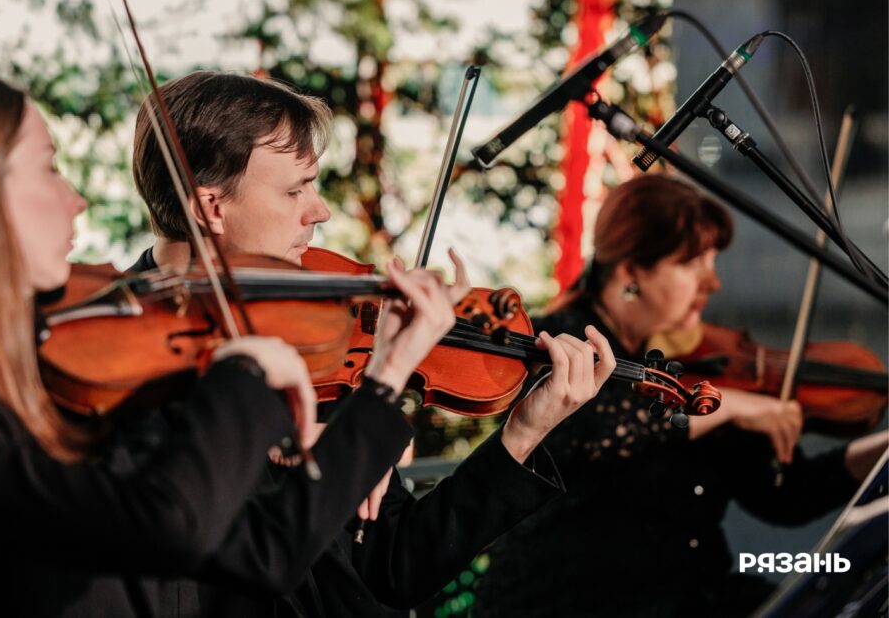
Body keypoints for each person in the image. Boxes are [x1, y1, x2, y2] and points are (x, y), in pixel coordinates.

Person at [0, 74, 461, 616]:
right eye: (47, 168)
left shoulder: (38, 379)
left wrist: (385, 378)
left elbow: (267, 554)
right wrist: (245, 376)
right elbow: (165, 522)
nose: (77, 200)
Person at [125, 69, 619, 616]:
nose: (320, 210)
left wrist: (523, 434)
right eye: (295, 190)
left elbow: (391, 569)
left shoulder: (323, 340)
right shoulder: (115, 367)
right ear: (210, 207)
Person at [472, 173, 888, 617]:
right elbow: (599, 429)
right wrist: (736, 404)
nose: (713, 283)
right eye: (693, 265)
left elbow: (786, 493)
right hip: (571, 603)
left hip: (692, 596)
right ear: (632, 272)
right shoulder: (557, 344)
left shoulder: (699, 364)